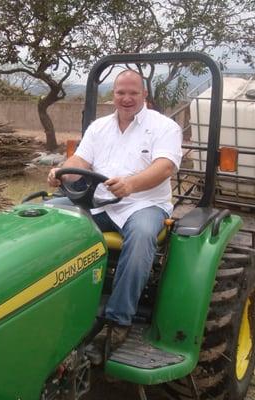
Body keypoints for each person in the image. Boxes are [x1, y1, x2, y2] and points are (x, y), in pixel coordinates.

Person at [47, 70, 182, 349]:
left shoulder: (164, 127)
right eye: (121, 92)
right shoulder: (99, 127)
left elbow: (164, 166)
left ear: (144, 95)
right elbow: (81, 160)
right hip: (100, 204)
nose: (127, 98)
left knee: (142, 235)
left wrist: (132, 184)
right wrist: (62, 172)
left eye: (133, 92)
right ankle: (54, 302)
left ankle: (119, 319)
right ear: (114, 95)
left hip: (144, 204)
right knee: (48, 216)